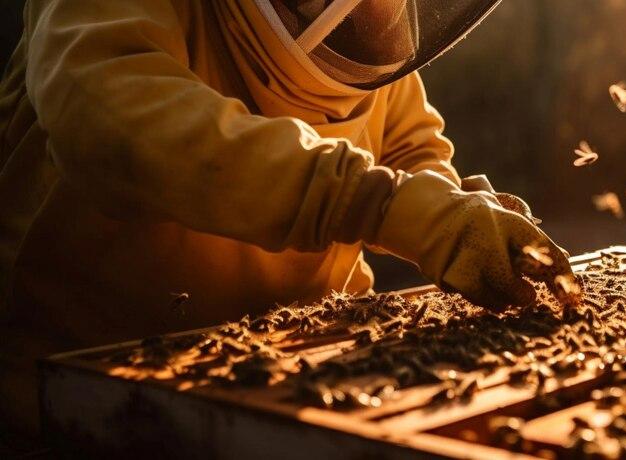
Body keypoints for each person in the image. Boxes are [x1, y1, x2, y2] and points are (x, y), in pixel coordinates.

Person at [0, 0, 575, 443]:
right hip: (80, 393)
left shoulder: (376, 26)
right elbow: (112, 121)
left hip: (304, 382)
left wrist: (457, 213)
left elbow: (409, 144)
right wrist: (377, 204)